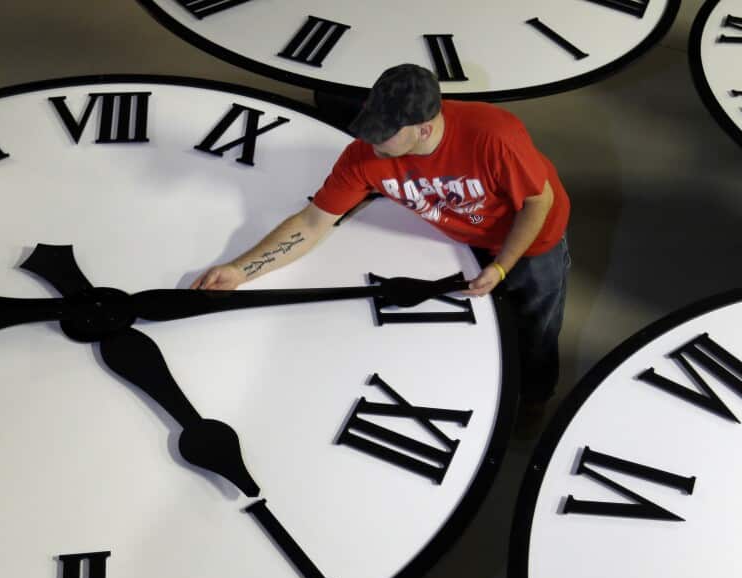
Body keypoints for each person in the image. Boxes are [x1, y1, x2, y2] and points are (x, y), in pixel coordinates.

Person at [192, 64, 571, 412]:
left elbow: (539, 203)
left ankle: (535, 399)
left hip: (532, 240)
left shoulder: (494, 136)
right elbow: (312, 223)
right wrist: (241, 271)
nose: (372, 143)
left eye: (384, 135)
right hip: (462, 237)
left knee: (535, 325)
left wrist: (503, 266)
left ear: (424, 128)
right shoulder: (363, 157)